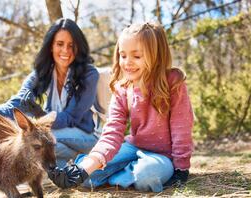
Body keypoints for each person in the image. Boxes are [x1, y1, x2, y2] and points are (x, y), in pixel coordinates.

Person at [47, 22, 194, 192]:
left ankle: (122, 174)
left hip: (162, 157)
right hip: (132, 147)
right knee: (87, 176)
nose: (127, 63)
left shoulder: (173, 83)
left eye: (136, 56)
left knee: (147, 175)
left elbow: (181, 128)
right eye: (123, 55)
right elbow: (112, 132)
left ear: (157, 56)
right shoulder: (123, 88)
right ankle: (114, 171)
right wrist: (84, 169)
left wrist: (181, 168)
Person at [0, 18, 99, 168]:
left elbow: (70, 118)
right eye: (60, 44)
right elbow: (12, 107)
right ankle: (76, 164)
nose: (66, 50)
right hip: (55, 136)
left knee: (30, 142)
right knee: (37, 145)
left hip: (85, 136)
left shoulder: (89, 74)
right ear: (51, 46)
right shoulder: (42, 73)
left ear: (78, 48)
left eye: (71, 45)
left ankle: (83, 160)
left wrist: (39, 114)